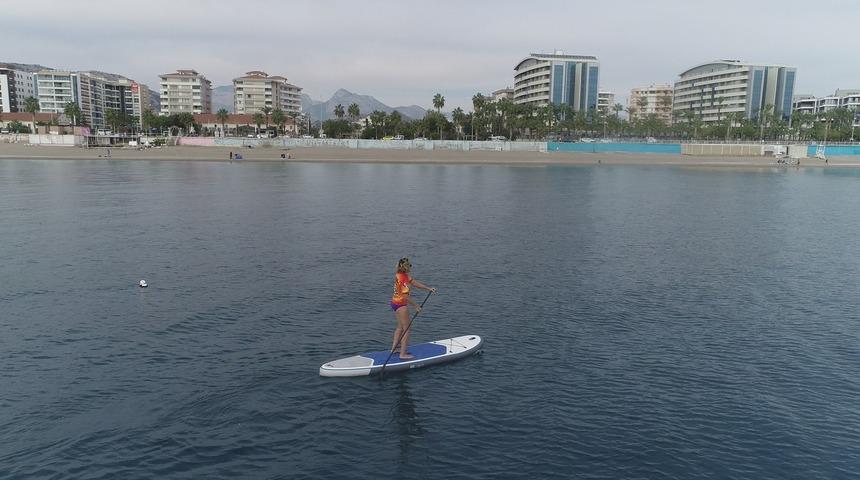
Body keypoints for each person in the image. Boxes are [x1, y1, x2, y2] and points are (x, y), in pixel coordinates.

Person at [390, 257, 435, 359]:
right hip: (401, 305)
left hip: (394, 302)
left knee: (400, 327)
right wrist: (416, 306)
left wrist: (428, 288)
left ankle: (393, 349)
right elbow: (405, 296)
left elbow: (414, 282)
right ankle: (402, 354)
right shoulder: (403, 279)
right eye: (409, 266)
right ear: (406, 267)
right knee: (407, 329)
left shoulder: (400, 275)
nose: (410, 268)